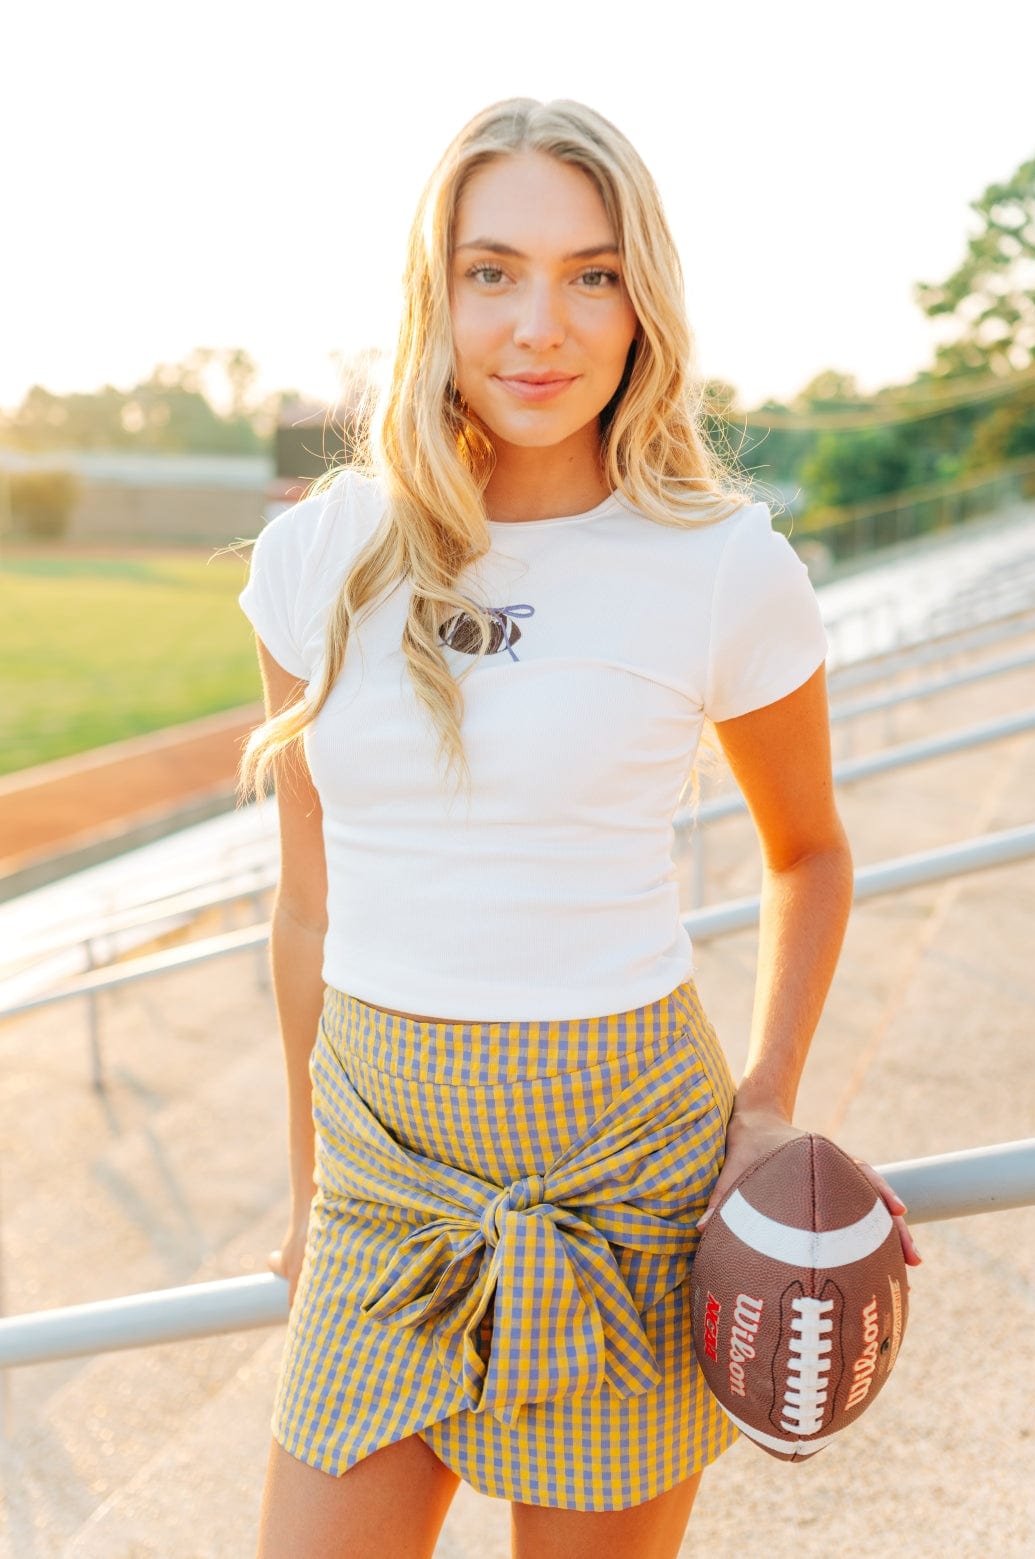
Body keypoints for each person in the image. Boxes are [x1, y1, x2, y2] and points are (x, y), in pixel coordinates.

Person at [238, 97, 920, 1559]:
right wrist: (307, 1198)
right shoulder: (318, 553)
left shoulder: (725, 564)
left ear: (641, 301)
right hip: (383, 1177)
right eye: (495, 271)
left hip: (628, 1182)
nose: (539, 325)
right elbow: (308, 909)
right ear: (438, 292)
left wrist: (767, 1102)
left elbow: (809, 853)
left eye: (590, 274)